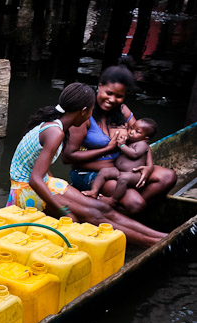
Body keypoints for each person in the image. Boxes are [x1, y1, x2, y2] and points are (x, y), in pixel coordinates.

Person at [7, 82, 166, 246]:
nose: (91, 115)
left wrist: (60, 192)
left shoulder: (55, 124)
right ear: (83, 111)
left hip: (44, 181)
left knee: (101, 208)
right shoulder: (56, 132)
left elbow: (38, 168)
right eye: (91, 111)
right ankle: (154, 243)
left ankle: (162, 237)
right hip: (24, 190)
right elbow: (34, 179)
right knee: (91, 215)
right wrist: (60, 209)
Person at [63, 62, 177, 214]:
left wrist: (149, 166)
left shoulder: (122, 111)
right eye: (109, 93)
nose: (112, 100)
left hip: (122, 170)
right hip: (92, 174)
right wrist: (107, 149)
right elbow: (68, 157)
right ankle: (126, 211)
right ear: (100, 86)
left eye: (119, 96)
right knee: (135, 203)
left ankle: (127, 213)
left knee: (168, 177)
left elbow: (143, 139)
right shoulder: (84, 115)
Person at [83, 117, 157, 202]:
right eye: (132, 128)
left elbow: (134, 154)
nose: (131, 132)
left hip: (132, 174)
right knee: (104, 171)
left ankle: (113, 200)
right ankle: (94, 191)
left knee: (123, 178)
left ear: (145, 138)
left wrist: (122, 146)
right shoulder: (130, 140)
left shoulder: (142, 144)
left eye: (137, 132)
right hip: (119, 170)